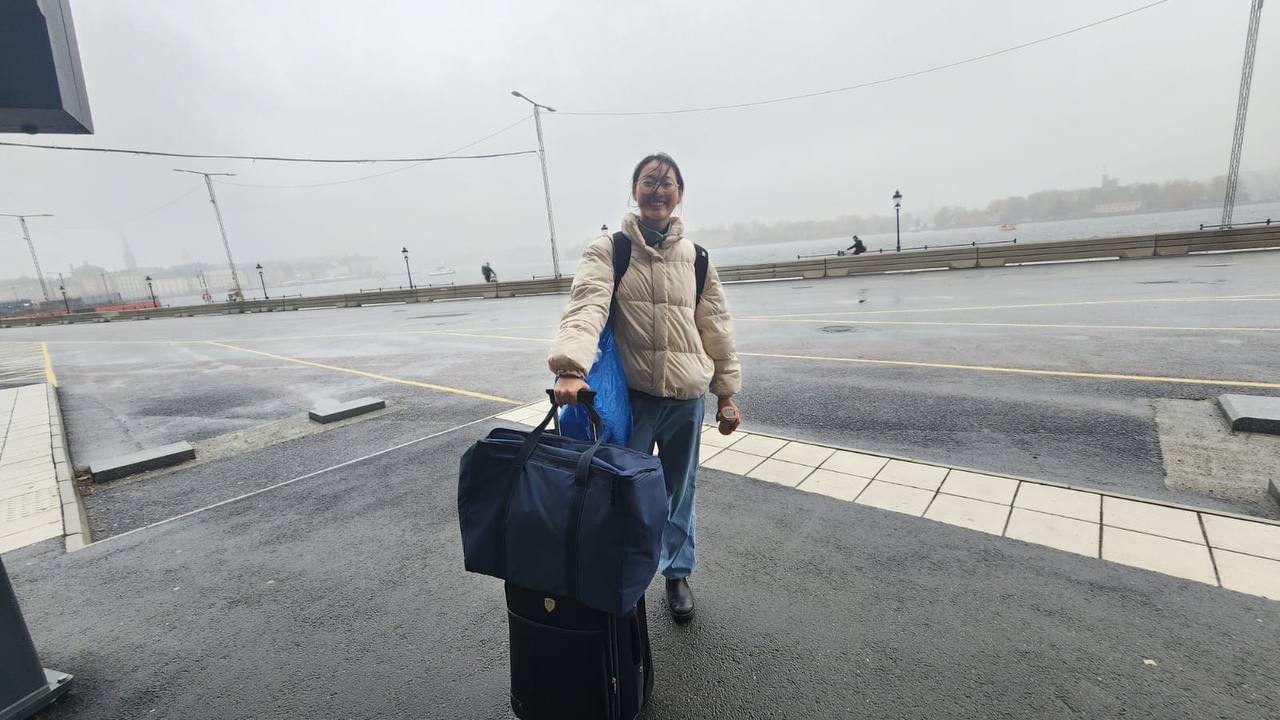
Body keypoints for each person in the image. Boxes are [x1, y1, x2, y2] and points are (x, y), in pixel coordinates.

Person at [549, 152, 741, 623]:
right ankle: (624, 574)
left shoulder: (697, 258)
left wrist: (727, 393)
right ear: (634, 191)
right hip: (632, 399)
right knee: (623, 493)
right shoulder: (610, 250)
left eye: (668, 182)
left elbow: (715, 326)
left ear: (679, 194)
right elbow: (586, 305)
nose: (659, 190)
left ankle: (677, 573)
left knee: (679, 492)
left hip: (686, 399)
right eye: (649, 181)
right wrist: (571, 366)